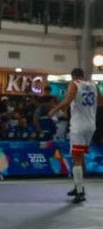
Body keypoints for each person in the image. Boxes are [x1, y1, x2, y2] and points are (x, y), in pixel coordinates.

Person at [48, 67, 95, 203]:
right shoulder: (93, 85)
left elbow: (68, 101)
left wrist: (54, 109)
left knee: (77, 159)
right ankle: (78, 185)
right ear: (83, 75)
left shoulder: (74, 84)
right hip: (90, 126)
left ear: (73, 76)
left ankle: (80, 192)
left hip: (79, 126)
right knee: (80, 156)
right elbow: (101, 102)